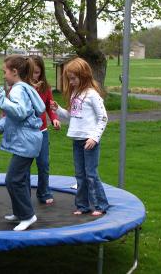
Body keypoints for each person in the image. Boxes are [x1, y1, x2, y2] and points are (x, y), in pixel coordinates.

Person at [50, 57, 109, 216]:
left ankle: (100, 205)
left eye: (73, 78)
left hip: (89, 141)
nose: (71, 82)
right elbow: (72, 116)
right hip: (77, 140)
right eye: (69, 79)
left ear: (83, 76)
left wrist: (95, 138)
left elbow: (103, 117)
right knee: (80, 175)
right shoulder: (75, 93)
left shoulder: (92, 94)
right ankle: (82, 206)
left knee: (91, 174)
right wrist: (58, 109)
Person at [0, 55, 45, 231]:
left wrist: (1, 100)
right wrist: (1, 125)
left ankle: (28, 215)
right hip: (28, 140)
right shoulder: (24, 87)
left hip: (26, 142)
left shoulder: (17, 90)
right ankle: (19, 211)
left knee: (13, 179)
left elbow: (20, 112)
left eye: (4, 71)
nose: (4, 75)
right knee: (19, 179)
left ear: (14, 72)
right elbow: (20, 116)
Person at [30, 55, 61, 205]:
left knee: (43, 164)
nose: (34, 76)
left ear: (41, 72)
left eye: (37, 72)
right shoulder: (20, 88)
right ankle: (22, 195)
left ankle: (44, 192)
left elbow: (49, 106)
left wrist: (54, 118)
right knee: (24, 166)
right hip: (26, 133)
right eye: (31, 72)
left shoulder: (45, 88)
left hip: (42, 131)